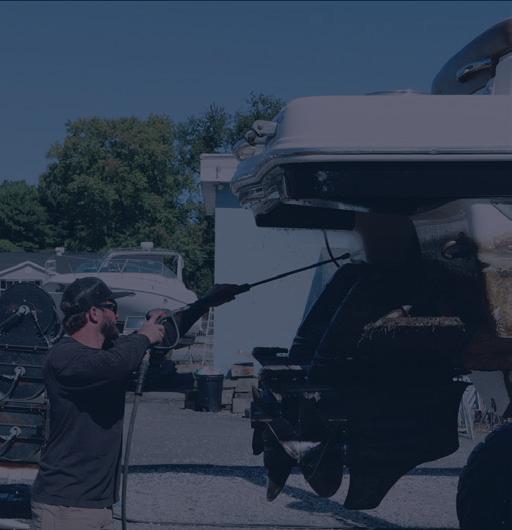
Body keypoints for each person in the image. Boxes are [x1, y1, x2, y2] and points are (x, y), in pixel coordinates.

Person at [31, 277, 241, 530]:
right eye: (113, 308)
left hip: (97, 505)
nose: (117, 315)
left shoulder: (108, 353)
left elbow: (155, 340)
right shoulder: (65, 356)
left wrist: (203, 304)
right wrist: (143, 336)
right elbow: (117, 362)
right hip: (65, 507)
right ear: (94, 313)